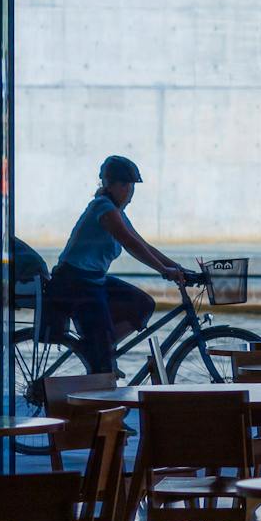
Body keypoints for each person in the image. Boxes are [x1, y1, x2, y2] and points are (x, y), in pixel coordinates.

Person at [49, 155, 191, 372]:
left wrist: (178, 269)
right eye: (124, 185)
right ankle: (99, 355)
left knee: (143, 305)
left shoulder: (118, 213)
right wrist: (164, 271)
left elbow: (145, 246)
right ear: (109, 185)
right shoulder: (103, 208)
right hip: (75, 283)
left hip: (94, 280)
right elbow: (130, 243)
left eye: (132, 186)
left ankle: (99, 348)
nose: (129, 191)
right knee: (103, 363)